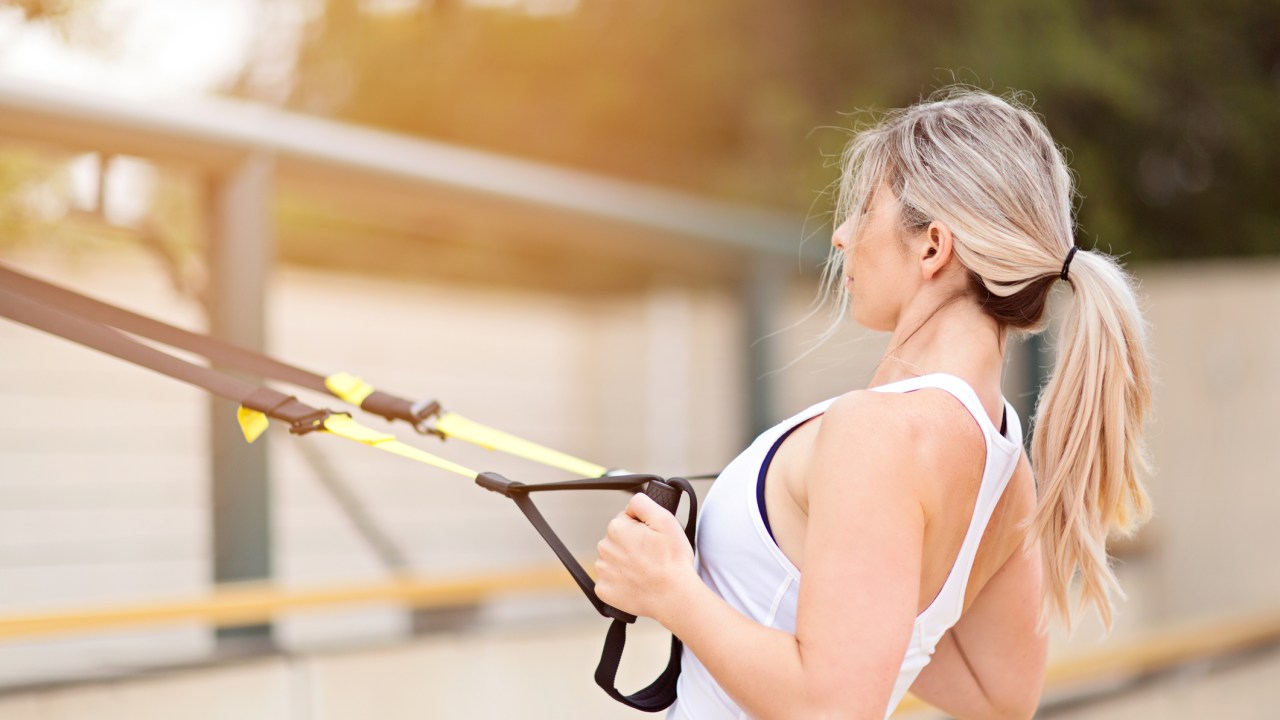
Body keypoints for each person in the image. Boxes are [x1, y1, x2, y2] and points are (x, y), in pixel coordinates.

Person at [593, 86, 1153, 720]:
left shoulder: (879, 433)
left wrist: (669, 589)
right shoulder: (1007, 470)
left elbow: (833, 708)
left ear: (933, 247)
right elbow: (1002, 698)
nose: (841, 236)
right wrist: (873, 618)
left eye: (864, 209)